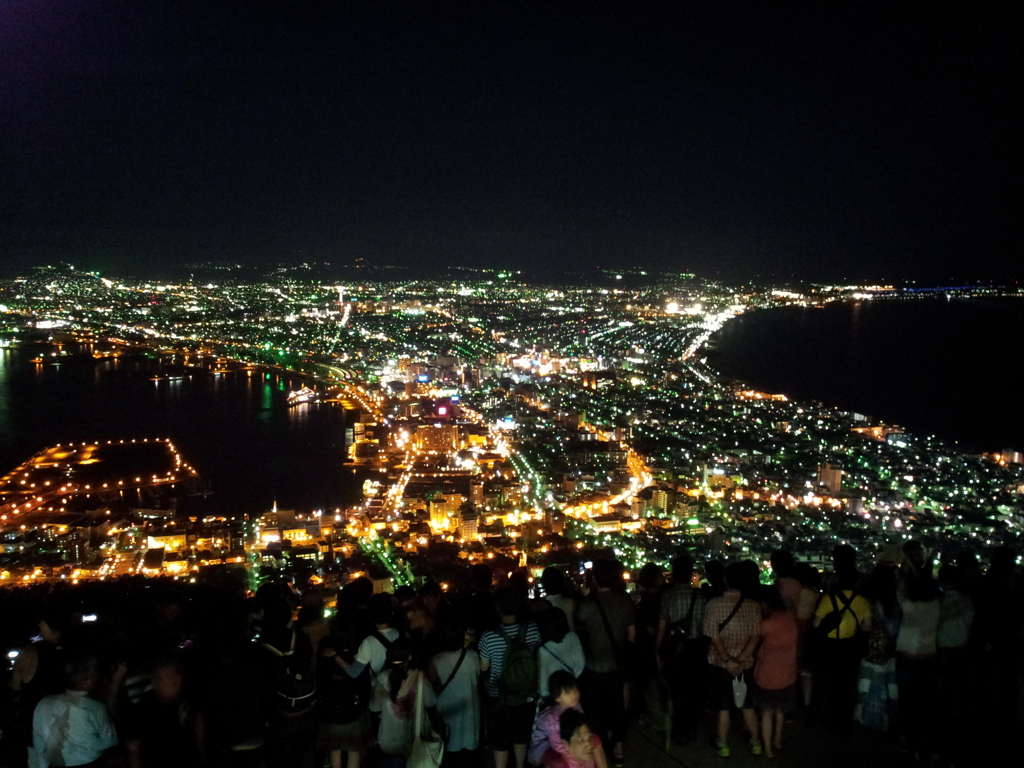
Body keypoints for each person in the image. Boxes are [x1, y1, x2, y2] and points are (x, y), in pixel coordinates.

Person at [575, 559, 634, 768]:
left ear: (595, 578)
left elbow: (580, 635)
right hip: (617, 663)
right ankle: (618, 748)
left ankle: (598, 751)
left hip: (593, 664)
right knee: (617, 706)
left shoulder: (587, 605)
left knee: (595, 709)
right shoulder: (625, 601)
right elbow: (631, 636)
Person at [703, 560, 763, 758]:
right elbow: (755, 637)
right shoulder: (753, 606)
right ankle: (756, 743)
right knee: (747, 705)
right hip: (744, 666)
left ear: (726, 579)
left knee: (723, 706)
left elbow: (713, 636)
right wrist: (739, 661)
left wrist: (728, 661)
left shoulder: (714, 604)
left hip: (720, 665)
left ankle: (724, 745)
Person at [478, 586, 541, 768]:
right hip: (526, 693)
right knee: (521, 736)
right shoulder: (532, 628)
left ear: (497, 608)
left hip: (498, 695)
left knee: (500, 739)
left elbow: (484, 667)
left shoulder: (489, 636)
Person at [812, 544, 870, 730]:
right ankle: (845, 718)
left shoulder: (829, 591)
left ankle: (827, 718)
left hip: (830, 645)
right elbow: (867, 626)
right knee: (848, 683)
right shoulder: (863, 594)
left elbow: (816, 625)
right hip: (851, 645)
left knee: (829, 682)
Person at [31, 651, 118, 768]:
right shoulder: (96, 708)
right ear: (86, 682)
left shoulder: (44, 703)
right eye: (97, 676)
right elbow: (111, 742)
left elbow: (38, 741)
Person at [893, 541, 940, 754]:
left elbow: (901, 592)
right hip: (929, 655)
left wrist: (907, 570)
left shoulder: (910, 607)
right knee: (923, 696)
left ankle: (903, 735)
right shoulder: (936, 606)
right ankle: (921, 733)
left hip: (907, 655)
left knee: (906, 697)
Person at [123, 657, 202, 768]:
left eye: (178, 677)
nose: (176, 682)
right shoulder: (143, 710)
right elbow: (134, 747)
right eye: (170, 678)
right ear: (156, 680)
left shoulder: (186, 702)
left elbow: (198, 728)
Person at [372, 639, 436, 768]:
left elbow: (374, 707)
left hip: (388, 742)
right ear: (410, 657)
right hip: (413, 743)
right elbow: (431, 702)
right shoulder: (420, 679)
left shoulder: (382, 679)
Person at [426, 619, 481, 767]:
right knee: (468, 758)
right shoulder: (474, 656)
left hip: (446, 715)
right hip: (470, 715)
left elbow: (433, 687)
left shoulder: (435, 660)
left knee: (448, 756)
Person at [854, 562, 900, 733]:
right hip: (890, 645)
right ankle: (885, 717)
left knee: (871, 680)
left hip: (873, 643)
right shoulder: (894, 599)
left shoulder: (870, 599)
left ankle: (869, 715)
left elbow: (866, 625)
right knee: (886, 682)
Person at [318, 621, 372, 768]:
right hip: (353, 712)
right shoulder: (358, 654)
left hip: (331, 711)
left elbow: (320, 680)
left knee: (335, 749)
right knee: (353, 749)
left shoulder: (326, 652)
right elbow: (363, 684)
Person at [753, 587, 799, 759]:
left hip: (768, 674)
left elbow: (756, 641)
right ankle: (777, 740)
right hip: (788, 673)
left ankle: (767, 749)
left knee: (767, 713)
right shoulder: (789, 617)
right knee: (780, 710)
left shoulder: (766, 624)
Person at [530, 671, 607, 768]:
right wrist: (574, 763)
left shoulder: (576, 706)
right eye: (568, 692)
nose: (574, 694)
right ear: (557, 697)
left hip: (564, 743)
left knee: (594, 740)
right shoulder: (553, 721)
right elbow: (559, 746)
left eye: (575, 689)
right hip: (546, 746)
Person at [536, 607, 585, 698]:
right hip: (571, 691)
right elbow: (580, 665)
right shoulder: (573, 637)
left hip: (553, 697)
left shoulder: (541, 650)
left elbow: (543, 687)